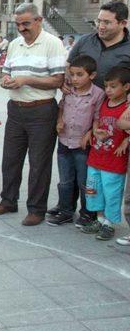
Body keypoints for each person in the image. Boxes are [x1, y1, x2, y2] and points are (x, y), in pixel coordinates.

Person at [0, 3, 66, 226]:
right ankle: (8, 200)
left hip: (42, 109)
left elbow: (58, 80)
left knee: (39, 163)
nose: (22, 28)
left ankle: (37, 209)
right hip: (16, 108)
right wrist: (5, 80)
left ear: (39, 20)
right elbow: (7, 71)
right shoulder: (14, 44)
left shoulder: (53, 44)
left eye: (26, 23)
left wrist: (27, 79)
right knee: (10, 159)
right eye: (18, 24)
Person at [49, 55, 104, 227]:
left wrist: (90, 134)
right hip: (64, 142)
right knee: (65, 181)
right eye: (72, 74)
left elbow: (98, 118)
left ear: (92, 75)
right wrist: (59, 121)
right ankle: (66, 211)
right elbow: (62, 107)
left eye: (79, 75)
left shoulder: (98, 94)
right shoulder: (68, 90)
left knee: (84, 181)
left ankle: (88, 213)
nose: (74, 79)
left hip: (82, 145)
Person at [81, 67, 130, 240]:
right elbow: (97, 121)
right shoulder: (104, 103)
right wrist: (96, 131)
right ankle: (100, 219)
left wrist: (126, 140)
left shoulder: (127, 107)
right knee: (94, 190)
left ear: (126, 87)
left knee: (112, 192)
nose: (108, 90)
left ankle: (109, 223)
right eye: (106, 86)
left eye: (113, 86)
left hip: (114, 161)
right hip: (96, 157)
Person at [65, 2, 130, 90]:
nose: (100, 27)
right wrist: (65, 82)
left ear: (123, 23)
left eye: (107, 22)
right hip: (81, 101)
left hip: (112, 102)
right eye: (98, 21)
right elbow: (68, 66)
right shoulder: (84, 41)